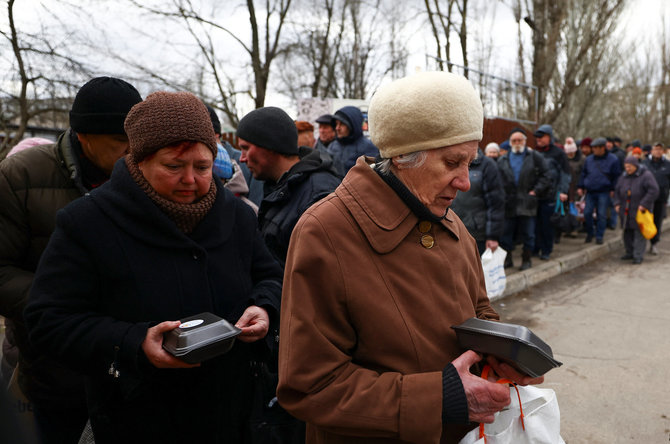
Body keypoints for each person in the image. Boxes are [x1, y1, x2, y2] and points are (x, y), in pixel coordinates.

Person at [277, 71, 543, 444]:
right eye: (452, 163)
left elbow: (480, 313)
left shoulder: (451, 223)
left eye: (471, 162)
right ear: (402, 157)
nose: (465, 182)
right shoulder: (325, 232)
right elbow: (310, 386)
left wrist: (504, 358)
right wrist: (441, 398)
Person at [24, 91, 284, 442]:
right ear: (138, 161)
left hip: (233, 416)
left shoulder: (236, 215)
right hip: (139, 419)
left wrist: (264, 306)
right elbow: (48, 319)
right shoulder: (88, 222)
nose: (191, 179)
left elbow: (270, 276)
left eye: (203, 167)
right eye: (174, 167)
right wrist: (133, 342)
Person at [0, 76, 142, 443]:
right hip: (51, 368)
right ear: (83, 135)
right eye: (119, 142)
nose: (132, 154)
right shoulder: (21, 175)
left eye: (136, 142)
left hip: (129, 367)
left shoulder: (144, 180)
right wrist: (62, 306)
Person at [237, 107, 341, 268]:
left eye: (245, 148)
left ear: (269, 145)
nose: (242, 158)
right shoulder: (280, 186)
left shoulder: (318, 195)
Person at [498, 127, 553, 270]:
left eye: (519, 140)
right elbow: (497, 178)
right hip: (509, 202)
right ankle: (507, 259)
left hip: (527, 201)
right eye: (514, 140)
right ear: (510, 142)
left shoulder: (534, 156)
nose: (517, 142)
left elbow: (546, 175)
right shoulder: (503, 159)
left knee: (528, 234)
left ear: (525, 141)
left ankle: (526, 259)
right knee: (506, 234)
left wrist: (536, 191)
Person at [450, 147, 504, 255]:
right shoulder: (449, 163)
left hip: (477, 232)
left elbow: (495, 204)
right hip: (452, 229)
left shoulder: (487, 165)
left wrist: (492, 236)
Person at [533, 124, 571, 260]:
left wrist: (563, 191)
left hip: (551, 195)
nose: (539, 139)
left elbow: (565, 174)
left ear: (550, 137)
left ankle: (546, 250)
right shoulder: (534, 152)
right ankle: (535, 248)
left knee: (547, 224)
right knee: (535, 224)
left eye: (542, 136)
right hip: (536, 195)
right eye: (537, 137)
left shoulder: (558, 153)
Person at [613, 156, 659, 264]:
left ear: (635, 166)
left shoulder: (646, 175)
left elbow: (654, 190)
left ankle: (638, 255)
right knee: (627, 231)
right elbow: (617, 191)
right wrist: (617, 203)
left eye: (629, 167)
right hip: (625, 209)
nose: (627, 169)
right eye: (626, 167)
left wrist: (644, 203)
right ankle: (629, 252)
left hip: (640, 210)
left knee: (639, 233)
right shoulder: (623, 176)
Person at [576, 137, 622, 244]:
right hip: (590, 190)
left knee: (601, 214)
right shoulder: (589, 160)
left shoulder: (613, 159)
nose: (594, 150)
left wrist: (613, 189)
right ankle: (590, 232)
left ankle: (599, 235)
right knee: (587, 213)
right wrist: (581, 186)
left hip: (604, 190)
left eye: (596, 148)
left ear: (603, 148)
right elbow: (584, 174)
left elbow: (616, 176)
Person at [327, 106, 378, 176]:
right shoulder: (332, 146)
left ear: (353, 125)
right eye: (336, 124)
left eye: (342, 124)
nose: (337, 128)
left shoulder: (369, 147)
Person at [643, 142, 670, 254]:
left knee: (657, 221)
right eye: (655, 149)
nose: (657, 151)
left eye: (660, 149)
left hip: (661, 198)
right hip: (646, 198)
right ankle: (641, 244)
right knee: (644, 221)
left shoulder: (668, 164)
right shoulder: (645, 164)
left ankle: (654, 243)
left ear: (663, 151)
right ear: (652, 151)